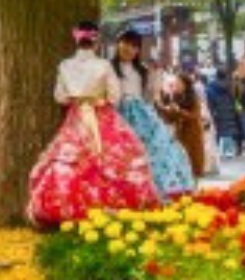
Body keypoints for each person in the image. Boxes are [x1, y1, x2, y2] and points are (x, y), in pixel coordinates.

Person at [28, 21, 161, 226]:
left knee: (73, 157)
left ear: (76, 39)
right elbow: (115, 96)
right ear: (96, 41)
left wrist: (77, 98)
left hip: (77, 117)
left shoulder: (65, 65)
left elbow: (60, 96)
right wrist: (99, 100)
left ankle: (69, 205)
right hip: (102, 115)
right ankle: (112, 206)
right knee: (113, 158)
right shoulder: (104, 65)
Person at [112, 29, 195, 199]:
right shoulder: (109, 68)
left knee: (162, 149)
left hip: (143, 116)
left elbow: (148, 98)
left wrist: (155, 80)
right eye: (126, 43)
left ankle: (160, 190)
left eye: (134, 46)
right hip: (118, 114)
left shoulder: (142, 70)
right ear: (118, 44)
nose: (129, 49)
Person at [158, 62, 211, 179]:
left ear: (185, 85)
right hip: (179, 136)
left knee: (192, 167)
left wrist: (178, 111)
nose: (175, 85)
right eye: (174, 83)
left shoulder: (193, 97)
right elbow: (170, 119)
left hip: (192, 136)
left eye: (178, 83)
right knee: (180, 167)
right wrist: (163, 109)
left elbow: (195, 116)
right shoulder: (174, 97)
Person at [205, 65, 241, 160]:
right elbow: (235, 98)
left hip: (217, 111)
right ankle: (229, 152)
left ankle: (219, 151)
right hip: (229, 111)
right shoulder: (230, 86)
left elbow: (209, 100)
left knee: (218, 132)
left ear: (217, 75)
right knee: (228, 132)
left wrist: (211, 110)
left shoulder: (210, 87)